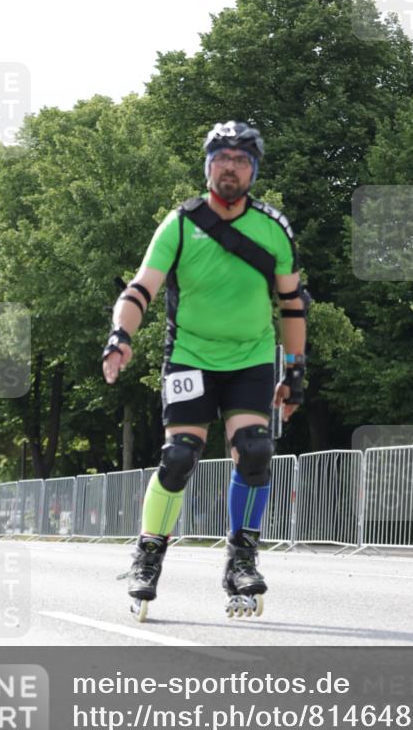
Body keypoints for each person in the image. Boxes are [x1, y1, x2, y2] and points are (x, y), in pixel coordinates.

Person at [102, 120, 308, 618]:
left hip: (252, 358)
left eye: (241, 159)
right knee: (179, 456)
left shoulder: (272, 228)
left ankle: (241, 556)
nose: (230, 167)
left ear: (253, 170)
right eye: (222, 158)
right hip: (190, 355)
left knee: (255, 451)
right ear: (208, 166)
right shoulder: (179, 223)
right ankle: (148, 554)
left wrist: (296, 370)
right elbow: (141, 287)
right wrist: (120, 337)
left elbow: (293, 303)